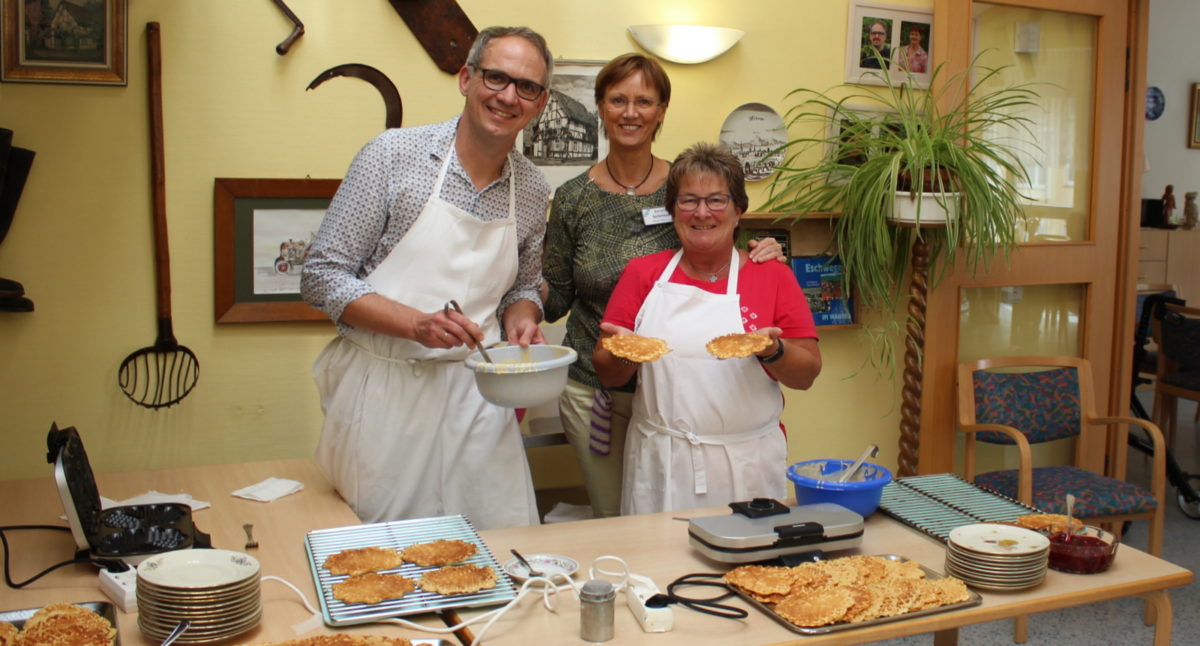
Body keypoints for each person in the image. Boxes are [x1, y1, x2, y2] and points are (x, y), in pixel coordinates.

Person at [300, 26, 553, 530]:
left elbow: (522, 286)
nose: (508, 97)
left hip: (478, 402)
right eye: (496, 78)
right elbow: (321, 275)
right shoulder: (392, 157)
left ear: (541, 102)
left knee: (497, 544)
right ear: (466, 78)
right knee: (382, 560)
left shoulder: (531, 187)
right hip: (387, 395)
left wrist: (524, 316)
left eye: (526, 87)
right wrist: (416, 325)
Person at [542, 54, 784, 518]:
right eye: (618, 100)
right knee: (620, 518)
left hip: (684, 388)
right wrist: (515, 290)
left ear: (662, 111)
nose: (630, 113)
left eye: (643, 101)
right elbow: (556, 296)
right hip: (599, 390)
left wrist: (763, 252)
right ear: (600, 107)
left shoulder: (686, 183)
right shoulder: (573, 197)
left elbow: (718, 242)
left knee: (688, 517)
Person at [593, 143, 822, 515]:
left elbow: (807, 374)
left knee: (751, 567)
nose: (702, 213)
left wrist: (772, 351)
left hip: (749, 462)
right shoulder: (643, 273)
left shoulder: (773, 276)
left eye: (717, 200)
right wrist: (623, 352)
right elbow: (607, 370)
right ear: (672, 210)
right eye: (688, 201)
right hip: (662, 460)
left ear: (738, 211)